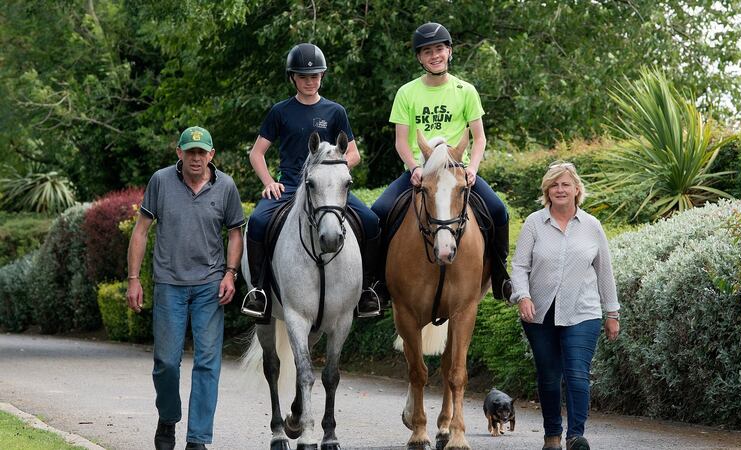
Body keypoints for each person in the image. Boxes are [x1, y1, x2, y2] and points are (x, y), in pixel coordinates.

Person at [371, 22, 512, 300]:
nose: (434, 55)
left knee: (498, 211)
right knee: (378, 213)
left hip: (456, 172)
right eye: (427, 52)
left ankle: (501, 277)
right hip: (421, 173)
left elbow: (479, 138)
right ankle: (377, 284)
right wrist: (414, 168)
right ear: (419, 58)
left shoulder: (465, 90)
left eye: (439, 49)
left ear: (449, 51)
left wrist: (472, 168)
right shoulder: (406, 92)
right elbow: (401, 141)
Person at [242, 43, 383, 319]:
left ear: (322, 77)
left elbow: (353, 153)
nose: (310, 81)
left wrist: (334, 167)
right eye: (304, 76)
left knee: (370, 221)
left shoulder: (335, 111)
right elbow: (257, 153)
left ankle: (368, 289)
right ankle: (258, 292)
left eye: (315, 76)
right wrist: (269, 181)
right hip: (291, 187)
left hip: (328, 190)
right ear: (293, 78)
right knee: (257, 222)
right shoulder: (280, 112)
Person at [126, 126, 245, 450]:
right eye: (189, 152)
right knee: (166, 361)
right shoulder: (161, 181)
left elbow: (236, 233)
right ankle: (168, 419)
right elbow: (141, 232)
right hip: (169, 285)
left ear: (211, 155)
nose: (196, 158)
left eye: (201, 152)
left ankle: (198, 439)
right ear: (179, 153)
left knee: (208, 362)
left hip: (209, 286)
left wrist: (230, 273)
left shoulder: (226, 187)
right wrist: (134, 279)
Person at [509, 161, 621, 450]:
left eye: (565, 184)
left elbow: (604, 271)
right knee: (548, 376)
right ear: (547, 190)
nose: (560, 189)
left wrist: (612, 313)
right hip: (539, 313)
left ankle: (576, 436)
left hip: (583, 312)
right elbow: (520, 266)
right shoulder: (534, 223)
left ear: (576, 190)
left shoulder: (592, 226)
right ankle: (552, 435)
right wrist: (522, 296)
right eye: (554, 185)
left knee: (577, 373)